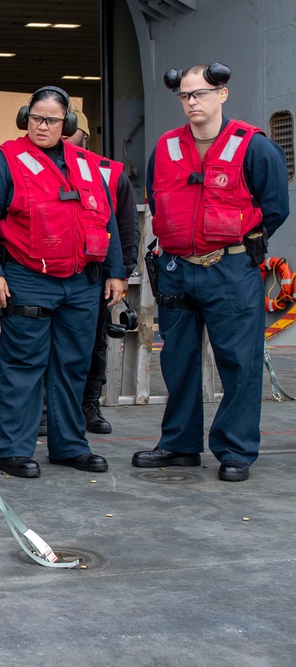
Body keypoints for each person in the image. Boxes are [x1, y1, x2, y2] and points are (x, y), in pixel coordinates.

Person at [132, 63, 289, 482]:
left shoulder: (254, 147)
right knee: (178, 362)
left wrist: (238, 245)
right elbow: (157, 196)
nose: (191, 102)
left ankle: (236, 450)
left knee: (239, 362)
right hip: (177, 268)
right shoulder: (165, 148)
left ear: (222, 94)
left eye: (200, 93)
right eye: (184, 95)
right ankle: (180, 445)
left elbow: (275, 207)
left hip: (231, 269)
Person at [0, 85, 126, 479]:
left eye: (52, 120)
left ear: (66, 124)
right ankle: (14, 451)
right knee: (23, 368)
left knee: (73, 367)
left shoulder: (88, 165)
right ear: (25, 118)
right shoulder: (5, 161)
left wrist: (117, 272)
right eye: (36, 118)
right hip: (27, 279)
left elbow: (107, 220)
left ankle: (70, 446)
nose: (43, 126)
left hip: (82, 284)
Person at [40, 107, 141, 435]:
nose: (61, 133)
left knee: (93, 346)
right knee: (40, 345)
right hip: (42, 273)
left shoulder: (109, 173)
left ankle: (88, 406)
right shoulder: (25, 166)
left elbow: (126, 226)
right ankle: (43, 410)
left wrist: (121, 272)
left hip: (92, 276)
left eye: (65, 126)